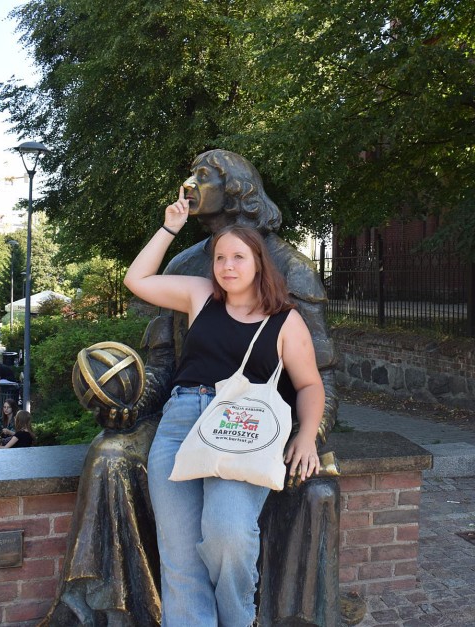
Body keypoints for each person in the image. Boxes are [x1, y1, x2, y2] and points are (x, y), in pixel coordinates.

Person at [124, 190, 325, 627]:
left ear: (258, 263)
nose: (227, 266)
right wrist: (170, 227)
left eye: (238, 257)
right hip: (181, 424)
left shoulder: (284, 319)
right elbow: (136, 280)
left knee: (228, 534)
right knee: (179, 557)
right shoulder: (200, 296)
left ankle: (238, 619)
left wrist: (307, 435)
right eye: (220, 258)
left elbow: (310, 384)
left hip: (244, 428)